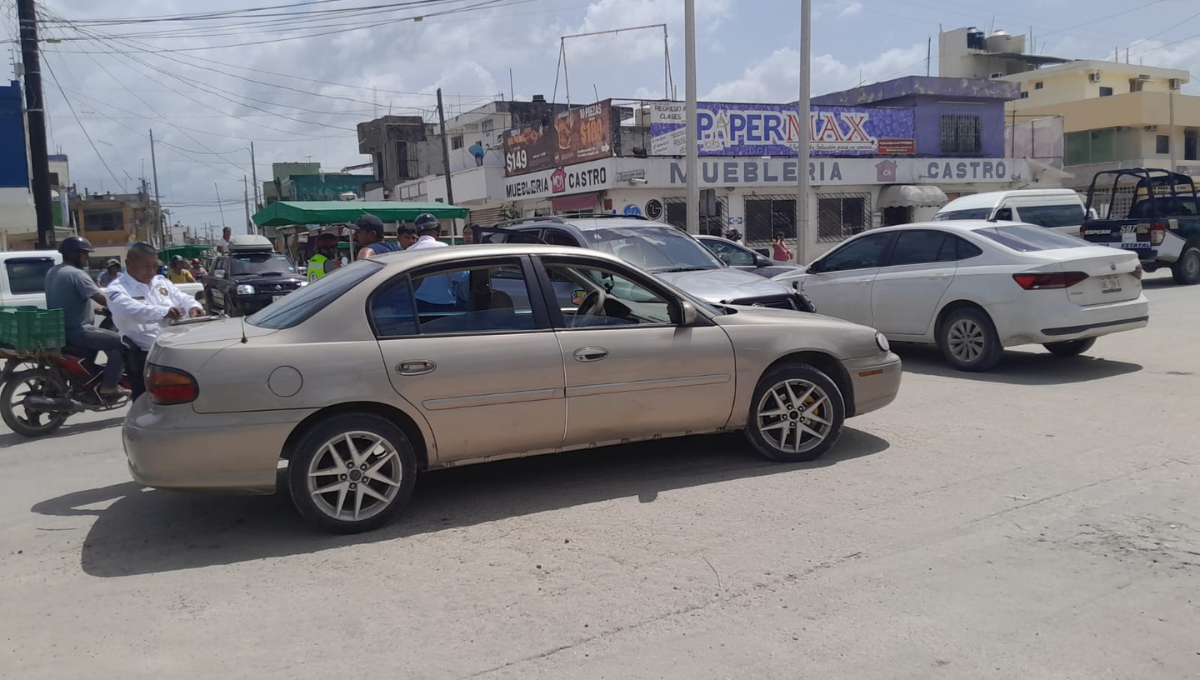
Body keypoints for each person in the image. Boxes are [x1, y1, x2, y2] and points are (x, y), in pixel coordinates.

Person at [106, 242, 205, 400]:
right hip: (144, 357)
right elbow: (130, 310)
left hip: (175, 350)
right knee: (147, 403)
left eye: (154, 266)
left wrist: (193, 306)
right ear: (128, 264)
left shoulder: (161, 282)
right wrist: (164, 312)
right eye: (146, 266)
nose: (152, 271)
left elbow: (182, 297)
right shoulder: (117, 289)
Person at [44, 237, 129, 399]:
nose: (87, 258)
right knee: (120, 343)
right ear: (74, 254)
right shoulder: (77, 274)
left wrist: (97, 310)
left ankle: (87, 384)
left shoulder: (53, 271)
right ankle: (110, 386)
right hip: (78, 331)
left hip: (62, 330)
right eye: (85, 254)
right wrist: (128, 308)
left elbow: (68, 299)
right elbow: (103, 298)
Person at [406, 214, 458, 312]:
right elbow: (459, 276)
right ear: (437, 230)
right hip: (442, 304)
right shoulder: (444, 248)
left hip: (416, 305)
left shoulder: (409, 250)